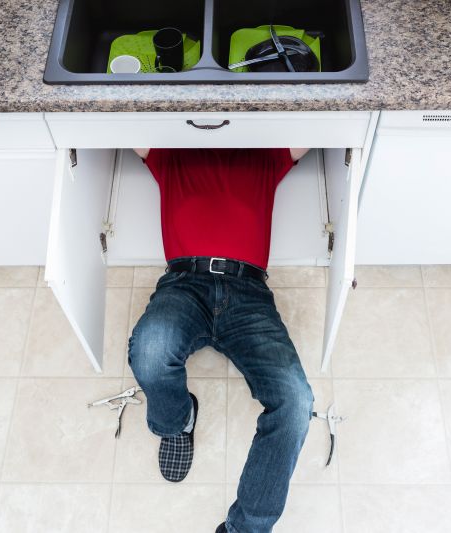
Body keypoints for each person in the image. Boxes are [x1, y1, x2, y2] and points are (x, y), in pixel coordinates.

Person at [127, 147, 314, 533]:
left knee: (296, 403)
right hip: (185, 284)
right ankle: (176, 423)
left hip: (248, 293)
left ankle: (245, 529)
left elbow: (321, 120)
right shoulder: (170, 154)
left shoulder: (267, 155)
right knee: (149, 352)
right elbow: (120, 116)